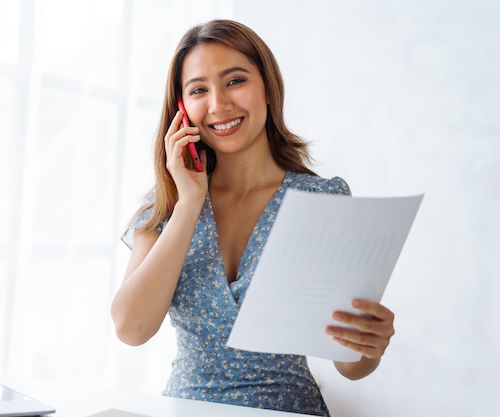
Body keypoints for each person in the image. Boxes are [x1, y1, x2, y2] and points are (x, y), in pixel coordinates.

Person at [111, 19, 395, 416]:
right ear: (182, 109)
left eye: (234, 81)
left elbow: (350, 365)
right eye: (198, 90)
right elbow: (131, 329)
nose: (218, 104)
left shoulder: (323, 198)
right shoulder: (166, 204)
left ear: (267, 87)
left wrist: (368, 344)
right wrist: (190, 201)